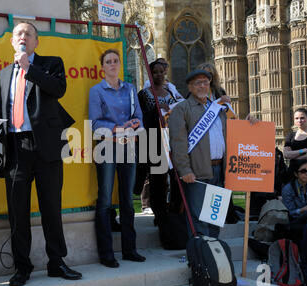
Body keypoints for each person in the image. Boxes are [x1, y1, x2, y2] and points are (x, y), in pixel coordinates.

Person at [0, 22, 82, 286]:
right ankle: (22, 267)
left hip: (46, 146)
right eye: (19, 34)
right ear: (12, 41)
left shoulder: (51, 63)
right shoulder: (3, 74)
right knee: (17, 212)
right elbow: (1, 111)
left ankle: (57, 262)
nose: (23, 37)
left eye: (28, 33)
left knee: (51, 210)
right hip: (16, 149)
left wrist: (28, 68)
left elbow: (58, 90)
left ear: (36, 41)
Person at [168, 69, 258, 237]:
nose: (202, 86)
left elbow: (232, 132)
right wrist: (184, 169)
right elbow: (178, 143)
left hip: (219, 170)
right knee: (198, 217)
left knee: (215, 216)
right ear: (190, 86)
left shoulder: (218, 108)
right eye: (197, 83)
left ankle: (214, 252)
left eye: (205, 82)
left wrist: (249, 125)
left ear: (209, 85)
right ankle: (201, 254)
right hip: (196, 171)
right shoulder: (182, 109)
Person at [88, 48, 145, 268]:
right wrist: (117, 128)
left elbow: (138, 117)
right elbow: (95, 123)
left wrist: (131, 125)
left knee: (128, 201)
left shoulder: (130, 89)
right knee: (104, 200)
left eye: (115, 61)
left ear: (120, 65)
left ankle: (130, 250)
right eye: (108, 62)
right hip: (106, 148)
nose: (112, 64)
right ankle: (106, 253)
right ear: (102, 67)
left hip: (128, 147)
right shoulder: (97, 91)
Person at [137, 61, 179, 226]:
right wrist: (156, 110)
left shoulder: (170, 93)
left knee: (174, 178)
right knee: (157, 180)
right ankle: (159, 213)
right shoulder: (144, 94)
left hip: (169, 139)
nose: (159, 75)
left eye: (162, 72)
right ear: (150, 74)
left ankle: (173, 210)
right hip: (153, 140)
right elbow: (140, 118)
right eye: (155, 72)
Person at [279, 159, 307, 244]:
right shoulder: (288, 189)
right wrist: (306, 209)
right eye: (303, 171)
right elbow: (289, 213)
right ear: (296, 174)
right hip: (294, 222)